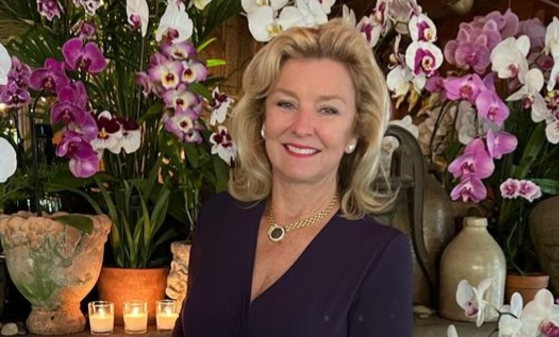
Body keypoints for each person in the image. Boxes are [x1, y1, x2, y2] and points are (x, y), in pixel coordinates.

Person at [172, 19, 413, 337]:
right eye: (286, 104)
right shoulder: (218, 218)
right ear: (263, 117)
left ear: (355, 131)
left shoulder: (381, 255)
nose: (301, 127)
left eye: (327, 110)